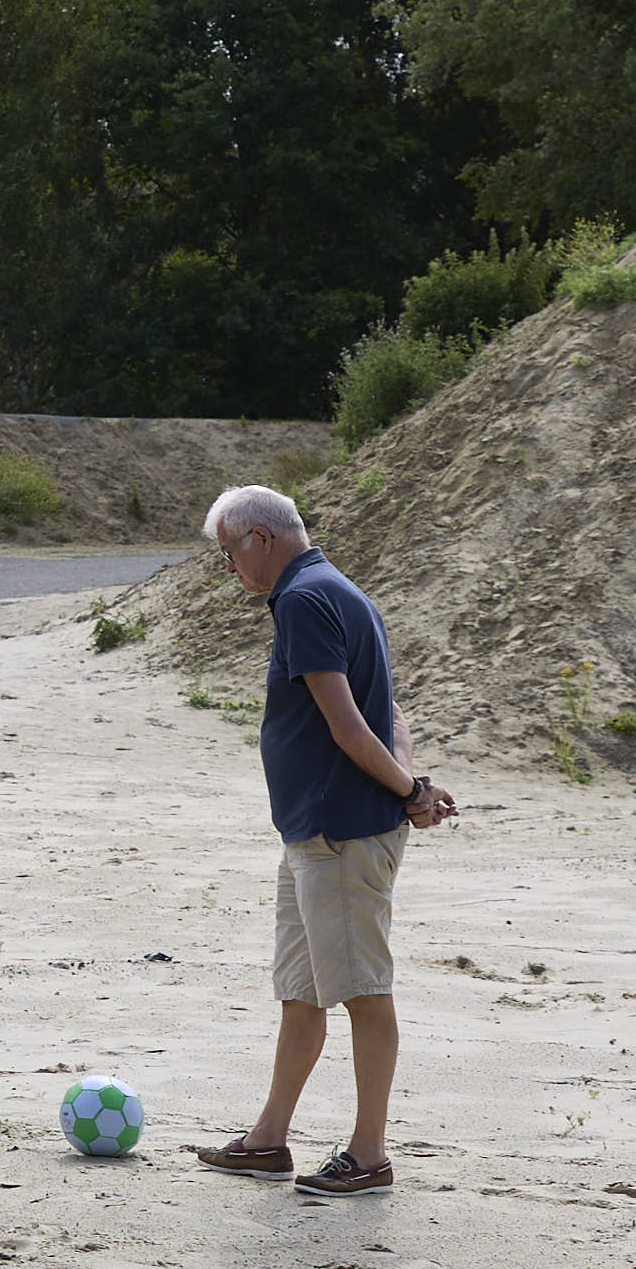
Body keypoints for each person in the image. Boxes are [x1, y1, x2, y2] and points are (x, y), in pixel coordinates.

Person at [185, 483, 452, 1198]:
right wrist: (413, 786)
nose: (230, 568)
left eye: (228, 553)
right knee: (301, 995)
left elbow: (350, 725)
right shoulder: (340, 589)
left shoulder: (303, 599)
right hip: (316, 833)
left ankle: (369, 1154)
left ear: (261, 539)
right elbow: (390, 710)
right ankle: (269, 1139)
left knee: (364, 991)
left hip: (340, 833)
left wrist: (408, 790)